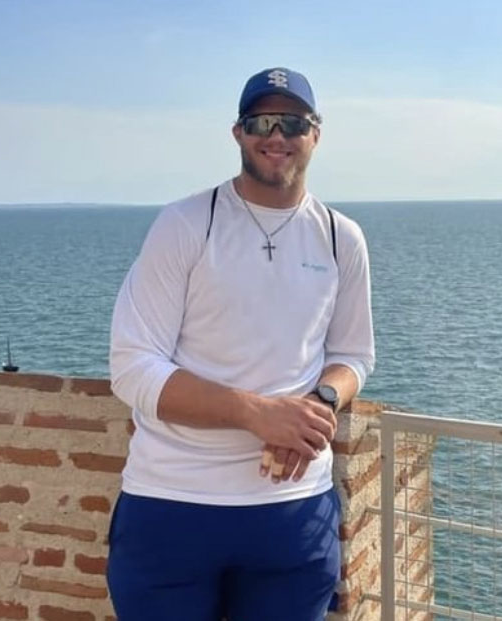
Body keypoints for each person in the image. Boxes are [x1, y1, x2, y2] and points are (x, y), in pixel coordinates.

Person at [106, 67, 375, 620]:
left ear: (316, 135)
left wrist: (318, 404)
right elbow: (132, 367)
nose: (276, 135)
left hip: (293, 513)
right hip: (171, 504)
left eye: (293, 122)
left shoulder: (338, 236)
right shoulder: (186, 223)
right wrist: (257, 414)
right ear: (238, 133)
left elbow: (353, 355)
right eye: (262, 121)